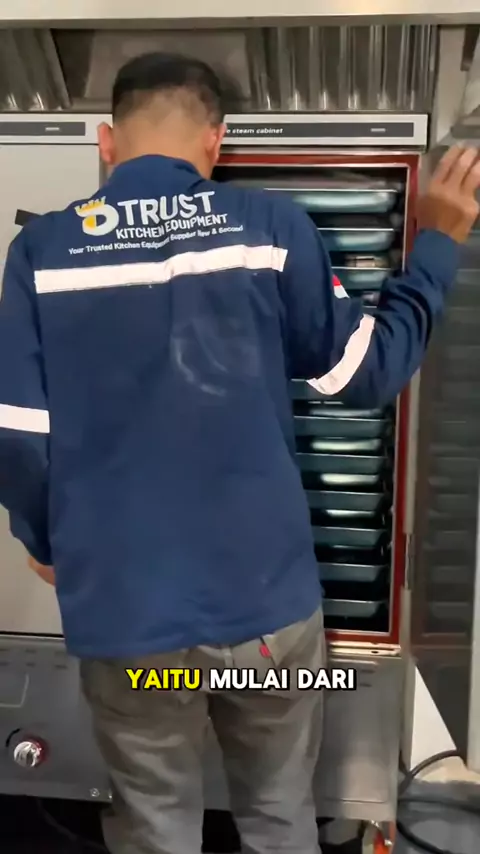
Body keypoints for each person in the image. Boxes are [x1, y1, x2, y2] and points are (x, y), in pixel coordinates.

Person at [1, 51, 479, 854]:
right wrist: (434, 247)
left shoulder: (43, 252)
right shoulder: (270, 229)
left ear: (105, 143)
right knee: (278, 815)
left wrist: (49, 542)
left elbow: (17, 433)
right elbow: (366, 374)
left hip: (131, 626)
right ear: (216, 142)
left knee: (156, 824)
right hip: (264, 620)